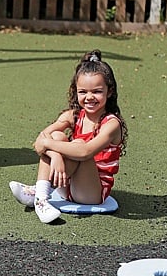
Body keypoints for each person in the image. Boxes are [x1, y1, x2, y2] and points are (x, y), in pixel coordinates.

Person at [9, 49, 128, 224]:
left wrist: (52, 148)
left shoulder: (111, 124)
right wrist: (56, 155)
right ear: (76, 91)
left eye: (96, 91)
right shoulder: (73, 115)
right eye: (83, 92)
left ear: (109, 92)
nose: (89, 97)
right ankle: (41, 198)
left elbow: (85, 151)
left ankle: (38, 192)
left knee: (77, 143)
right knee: (57, 136)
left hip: (91, 193)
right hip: (64, 183)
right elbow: (40, 141)